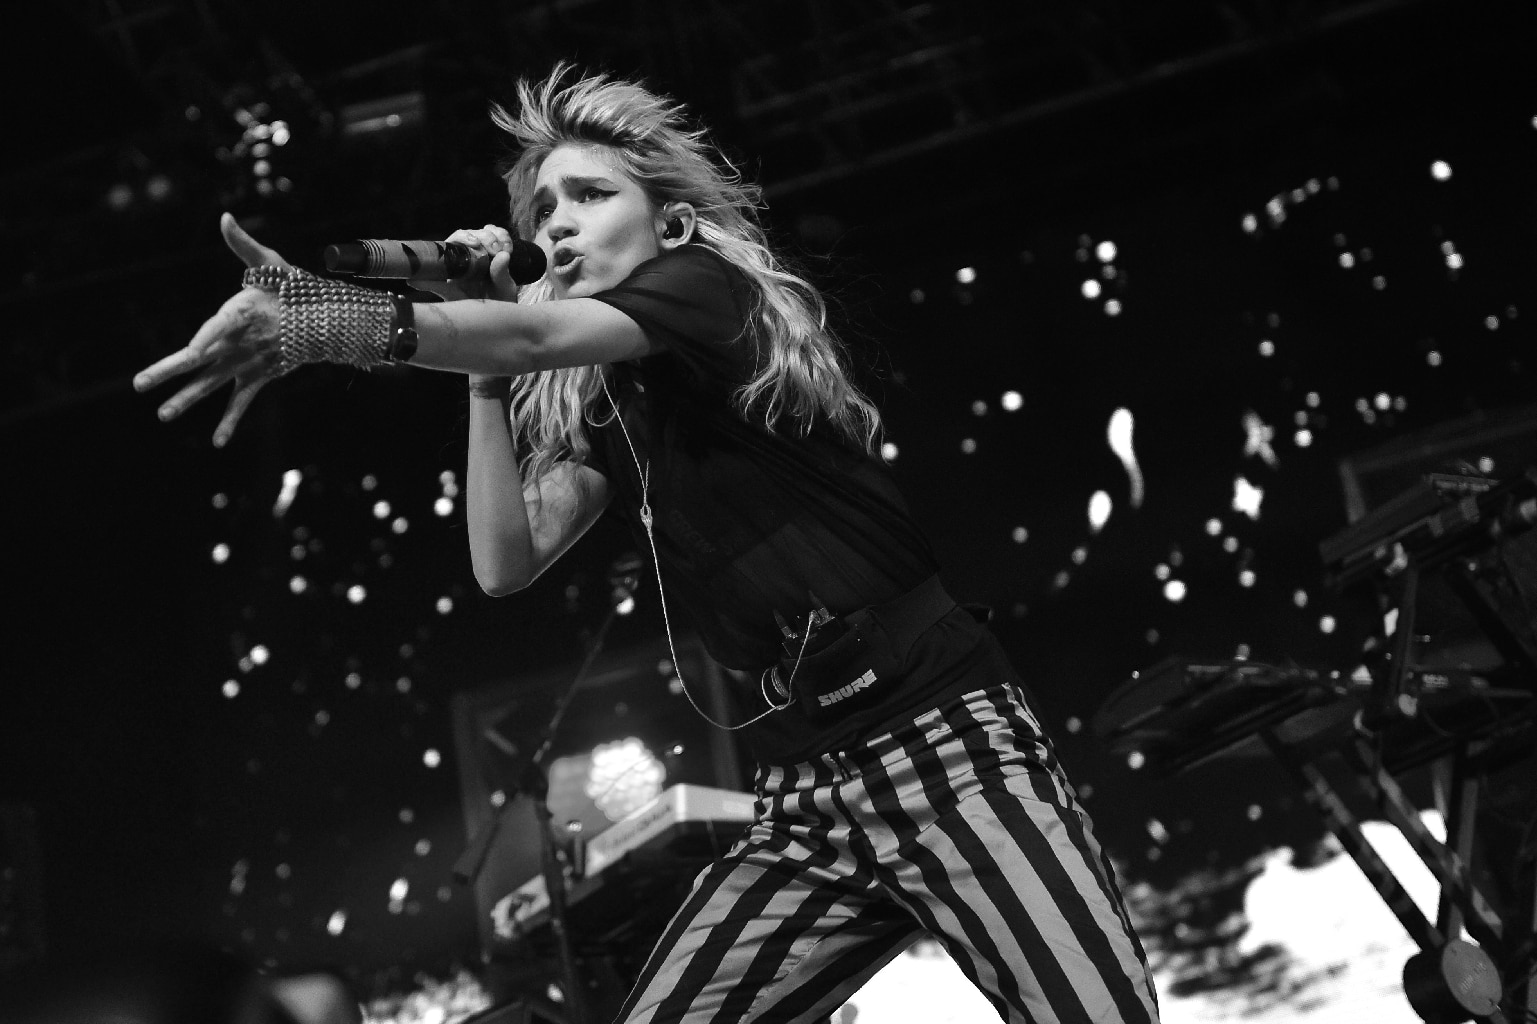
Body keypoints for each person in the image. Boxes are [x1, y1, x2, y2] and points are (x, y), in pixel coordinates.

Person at [135, 64, 1160, 1024]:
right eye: (542, 210)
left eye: (588, 195)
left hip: (942, 750)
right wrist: (480, 370)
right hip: (801, 796)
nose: (557, 224)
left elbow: (536, 335)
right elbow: (504, 561)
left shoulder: (711, 288)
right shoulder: (606, 413)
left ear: (666, 216)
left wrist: (317, 322)